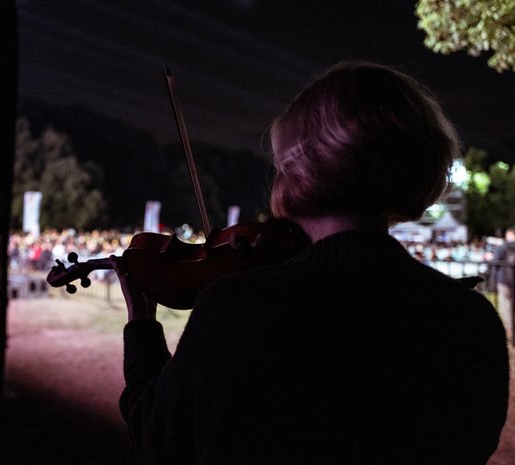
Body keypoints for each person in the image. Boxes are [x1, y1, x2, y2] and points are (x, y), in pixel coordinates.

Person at [111, 61, 509, 465]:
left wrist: (142, 325)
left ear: (297, 172)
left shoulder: (240, 307)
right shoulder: (470, 320)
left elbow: (160, 438)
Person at [492, 226, 515, 340]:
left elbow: (495, 264)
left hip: (503, 281)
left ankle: (508, 332)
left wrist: (492, 283)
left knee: (505, 306)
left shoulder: (502, 247)